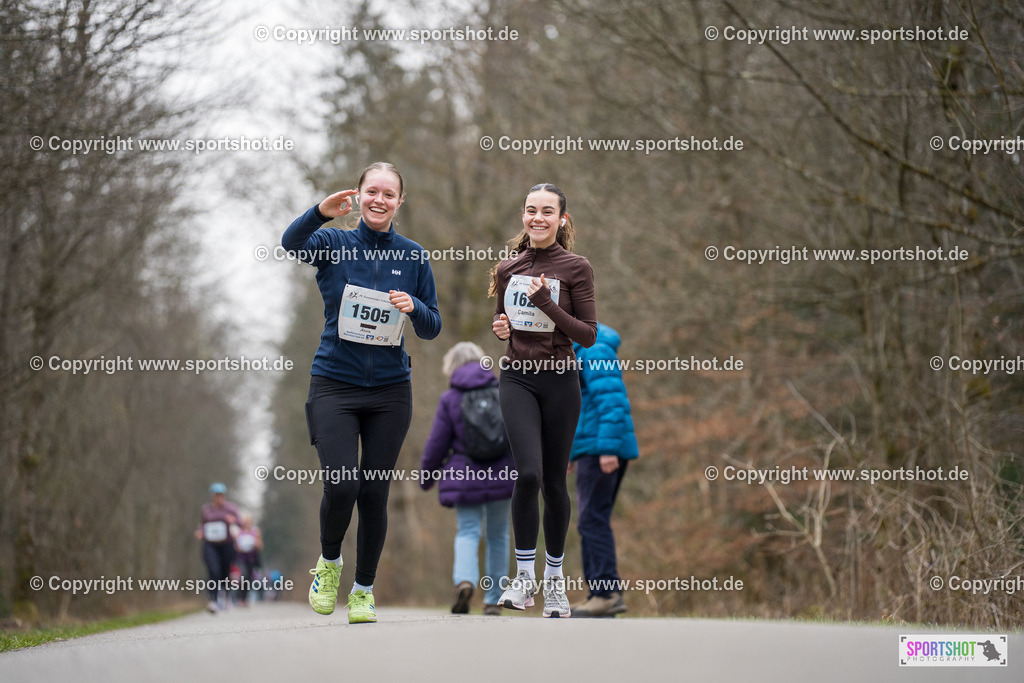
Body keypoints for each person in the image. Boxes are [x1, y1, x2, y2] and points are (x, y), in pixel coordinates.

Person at [281, 161, 442, 624]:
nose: (379, 200)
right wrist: (319, 213)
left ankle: (364, 590)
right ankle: (329, 563)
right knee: (342, 482)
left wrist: (414, 308)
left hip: (391, 391)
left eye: (389, 194)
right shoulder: (333, 242)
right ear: (359, 194)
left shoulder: (412, 256)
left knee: (374, 491)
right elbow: (290, 244)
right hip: (334, 384)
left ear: (399, 202)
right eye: (372, 191)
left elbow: (432, 326)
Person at [489, 183, 597, 617]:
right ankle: (525, 578)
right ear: (523, 216)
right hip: (517, 378)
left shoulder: (577, 267)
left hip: (559, 381)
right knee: (527, 474)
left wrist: (547, 304)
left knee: (553, 482)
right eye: (531, 210)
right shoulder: (507, 269)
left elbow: (587, 334)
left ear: (561, 219)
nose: (538, 218)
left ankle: (555, 581)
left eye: (547, 211)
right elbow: (505, 323)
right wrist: (501, 330)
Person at [419, 342, 515, 616]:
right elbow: (516, 434)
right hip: (503, 473)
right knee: (499, 534)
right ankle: (494, 597)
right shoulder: (503, 391)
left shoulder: (450, 398)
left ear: (452, 366)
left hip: (464, 475)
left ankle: (465, 581)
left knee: (468, 531)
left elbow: (437, 443)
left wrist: (427, 476)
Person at [568, 322, 639, 617]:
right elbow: (582, 408)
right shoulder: (581, 349)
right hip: (591, 447)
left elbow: (612, 401)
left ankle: (606, 592)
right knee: (590, 520)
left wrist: (608, 448)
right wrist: (571, 453)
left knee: (591, 519)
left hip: (602, 449)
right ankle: (598, 592)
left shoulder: (593, 348)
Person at [194, 482, 239, 613]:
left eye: (220, 495)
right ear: (212, 496)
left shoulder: (231, 508)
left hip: (226, 544)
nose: (218, 497)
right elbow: (202, 524)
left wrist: (233, 521)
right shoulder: (206, 509)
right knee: (213, 570)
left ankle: (226, 595)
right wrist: (200, 531)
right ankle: (213, 600)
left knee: (225, 571)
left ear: (223, 496)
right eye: (216, 495)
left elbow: (240, 523)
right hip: (210, 544)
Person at [234, 512, 264, 605]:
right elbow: (235, 546)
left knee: (249, 578)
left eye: (248, 521)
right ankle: (240, 598)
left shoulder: (255, 531)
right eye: (245, 521)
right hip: (241, 558)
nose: (246, 522)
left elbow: (260, 545)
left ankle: (244, 598)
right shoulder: (238, 532)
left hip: (251, 558)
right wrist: (238, 546)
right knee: (244, 575)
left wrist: (255, 543)